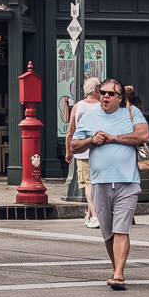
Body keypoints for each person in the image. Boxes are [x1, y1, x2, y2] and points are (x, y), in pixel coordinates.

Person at [69, 79, 149, 290]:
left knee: (122, 229)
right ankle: (116, 268)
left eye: (111, 94)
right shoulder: (88, 117)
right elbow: (74, 146)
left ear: (120, 98)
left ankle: (119, 274)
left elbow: (143, 135)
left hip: (127, 181)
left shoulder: (131, 114)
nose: (105, 96)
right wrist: (91, 141)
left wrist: (114, 138)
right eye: (102, 92)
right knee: (108, 233)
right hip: (100, 182)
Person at [66, 77, 103, 226]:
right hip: (100, 150)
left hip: (82, 150)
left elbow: (70, 131)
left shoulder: (78, 106)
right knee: (96, 184)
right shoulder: (102, 107)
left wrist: (69, 150)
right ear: (96, 90)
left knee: (88, 185)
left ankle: (95, 216)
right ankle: (90, 215)